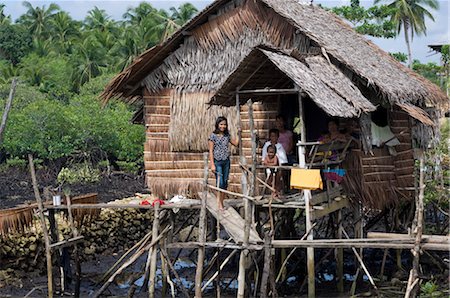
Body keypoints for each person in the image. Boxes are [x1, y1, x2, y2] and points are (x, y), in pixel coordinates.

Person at [208, 116, 238, 211]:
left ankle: (221, 200)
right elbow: (211, 151)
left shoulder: (227, 136)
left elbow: (236, 143)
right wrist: (212, 164)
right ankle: (219, 204)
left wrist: (239, 133)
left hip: (226, 161)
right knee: (220, 183)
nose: (223, 126)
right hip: (217, 161)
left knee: (225, 183)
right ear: (217, 125)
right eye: (221, 124)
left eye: (224, 124)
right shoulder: (213, 136)